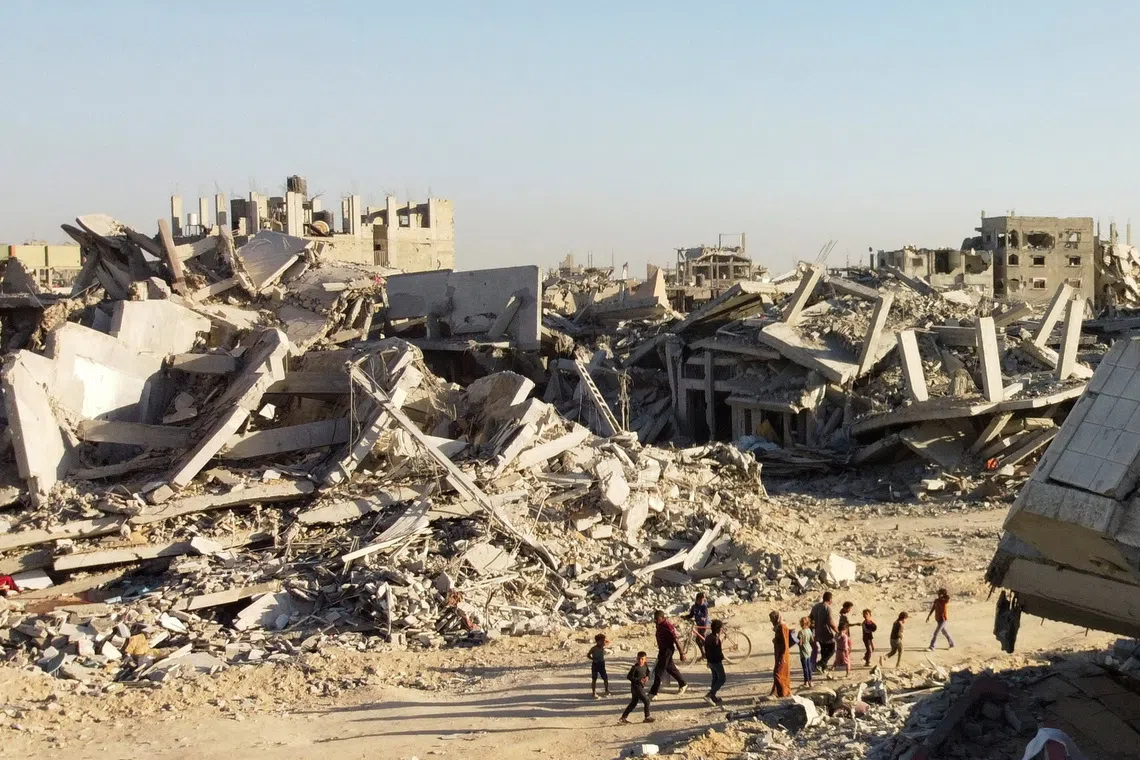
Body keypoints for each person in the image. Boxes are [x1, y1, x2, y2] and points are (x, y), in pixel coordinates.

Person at [649, 609, 687, 697]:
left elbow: (676, 640)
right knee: (670, 668)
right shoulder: (658, 624)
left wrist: (682, 653)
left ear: (662, 618)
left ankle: (653, 693)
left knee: (659, 671)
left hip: (667, 650)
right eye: (655, 619)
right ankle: (683, 684)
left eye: (657, 619)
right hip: (662, 649)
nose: (656, 621)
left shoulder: (668, 626)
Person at [620, 651, 654, 724]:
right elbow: (629, 677)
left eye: (642, 659)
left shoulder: (645, 665)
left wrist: (647, 677)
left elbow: (648, 672)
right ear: (636, 658)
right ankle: (647, 717)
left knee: (633, 703)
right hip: (636, 687)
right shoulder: (635, 667)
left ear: (645, 659)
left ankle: (623, 718)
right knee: (647, 700)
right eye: (639, 659)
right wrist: (639, 680)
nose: (640, 661)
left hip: (640, 687)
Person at [810, 592, 837, 674]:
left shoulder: (815, 607)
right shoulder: (827, 608)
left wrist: (812, 630)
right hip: (826, 632)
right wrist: (837, 631)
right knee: (832, 649)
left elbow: (810, 618)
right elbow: (831, 622)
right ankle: (820, 664)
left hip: (818, 632)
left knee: (824, 650)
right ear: (830, 599)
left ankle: (823, 668)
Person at [769, 611, 793, 698]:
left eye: (771, 619)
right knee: (780, 673)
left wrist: (782, 655)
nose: (771, 621)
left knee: (778, 674)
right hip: (779, 653)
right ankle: (778, 692)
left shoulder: (782, 627)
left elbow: (785, 642)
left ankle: (782, 693)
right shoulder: (779, 627)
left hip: (782, 654)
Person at [703, 619, 727, 706]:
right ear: (718, 629)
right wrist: (721, 657)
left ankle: (713, 696)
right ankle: (709, 695)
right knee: (722, 679)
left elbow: (707, 650)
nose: (722, 630)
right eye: (721, 628)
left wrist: (708, 661)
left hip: (711, 662)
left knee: (715, 678)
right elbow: (717, 652)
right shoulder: (716, 639)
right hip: (716, 662)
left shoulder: (708, 637)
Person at [587, 633, 611, 699]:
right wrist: (593, 659)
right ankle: (594, 692)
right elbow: (588, 655)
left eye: (603, 641)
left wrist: (605, 639)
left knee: (605, 678)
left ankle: (606, 690)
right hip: (595, 664)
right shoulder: (594, 648)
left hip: (602, 664)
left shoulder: (603, 646)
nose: (603, 642)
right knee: (594, 679)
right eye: (601, 641)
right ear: (597, 641)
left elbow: (608, 641)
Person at [688, 592, 711, 660]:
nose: (702, 601)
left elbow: (706, 614)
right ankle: (704, 654)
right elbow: (691, 615)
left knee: (703, 640)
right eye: (701, 600)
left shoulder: (704, 606)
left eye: (703, 600)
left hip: (704, 625)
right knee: (698, 640)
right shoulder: (694, 606)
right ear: (697, 600)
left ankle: (709, 655)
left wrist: (704, 618)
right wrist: (685, 617)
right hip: (699, 625)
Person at [797, 616, 814, 687]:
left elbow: (800, 643)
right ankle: (810, 681)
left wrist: (796, 641)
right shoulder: (809, 630)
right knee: (809, 666)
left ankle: (806, 682)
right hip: (809, 649)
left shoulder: (800, 632)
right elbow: (812, 640)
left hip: (803, 651)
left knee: (805, 667)